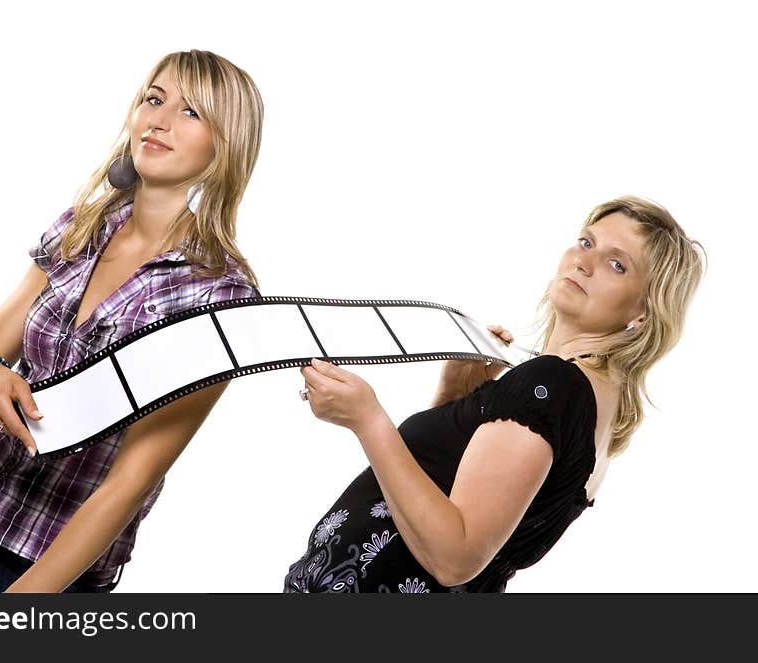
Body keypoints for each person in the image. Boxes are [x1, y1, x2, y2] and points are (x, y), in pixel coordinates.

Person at [0, 50, 263, 593]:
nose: (159, 119)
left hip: (43, 556)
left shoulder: (222, 296)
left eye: (191, 111)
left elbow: (130, 483)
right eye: (154, 100)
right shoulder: (83, 227)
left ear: (226, 142)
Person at [285, 196, 704, 593]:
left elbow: (456, 556)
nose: (584, 261)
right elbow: (446, 496)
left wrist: (368, 420)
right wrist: (452, 401)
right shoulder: (582, 397)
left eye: (616, 264)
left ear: (644, 312)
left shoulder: (552, 386)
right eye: (585, 241)